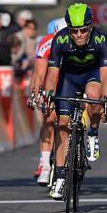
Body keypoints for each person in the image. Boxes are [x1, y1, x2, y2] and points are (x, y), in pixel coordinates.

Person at [43, 4, 107, 200]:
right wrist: (48, 95)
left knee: (93, 95)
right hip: (69, 79)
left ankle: (92, 133)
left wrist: (106, 101)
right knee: (62, 125)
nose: (79, 34)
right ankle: (60, 177)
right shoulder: (61, 39)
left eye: (83, 30)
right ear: (68, 29)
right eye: (74, 31)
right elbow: (52, 74)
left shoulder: (102, 39)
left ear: (90, 27)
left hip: (92, 75)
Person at [29, 17, 67, 186]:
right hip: (51, 82)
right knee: (49, 120)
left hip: (69, 82)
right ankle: (45, 166)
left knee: (69, 121)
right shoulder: (47, 43)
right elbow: (38, 74)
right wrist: (36, 94)